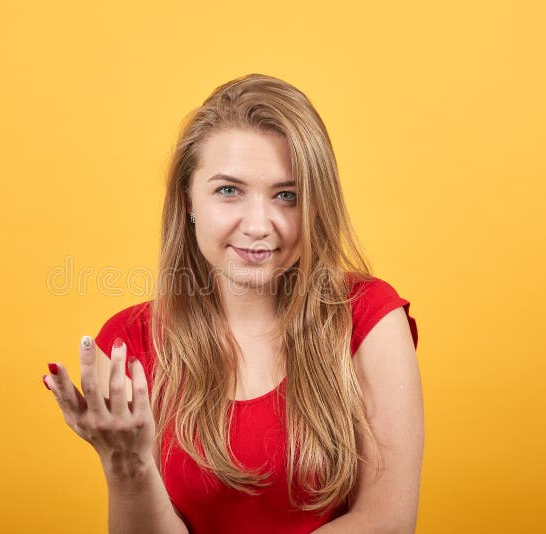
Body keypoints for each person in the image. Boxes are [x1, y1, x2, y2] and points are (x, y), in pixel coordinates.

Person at [42, 73, 424, 534]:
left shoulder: (368, 317)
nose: (259, 225)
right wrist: (127, 468)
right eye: (229, 191)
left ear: (316, 204)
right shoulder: (127, 346)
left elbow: (388, 521)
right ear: (188, 198)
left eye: (287, 196)